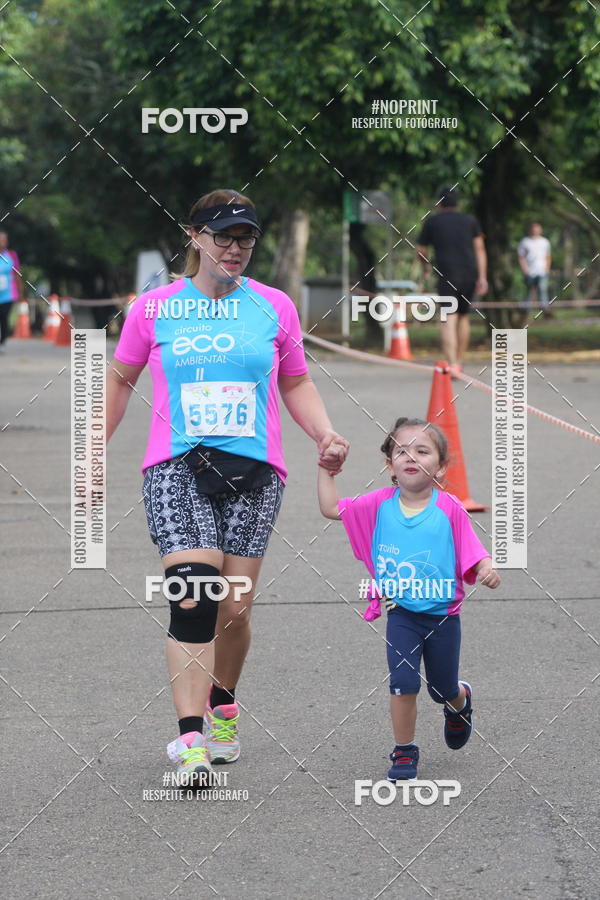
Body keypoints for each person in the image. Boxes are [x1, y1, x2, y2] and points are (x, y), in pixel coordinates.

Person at [107, 188, 349, 786]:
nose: (236, 248)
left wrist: (325, 433)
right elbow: (119, 380)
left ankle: (223, 704)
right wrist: (89, 452)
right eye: (224, 237)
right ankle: (189, 742)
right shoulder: (155, 308)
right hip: (175, 465)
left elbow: (296, 383)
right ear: (194, 237)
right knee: (194, 594)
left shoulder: (274, 308)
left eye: (246, 238)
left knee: (234, 610)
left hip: (255, 472)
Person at [318, 417, 499, 781]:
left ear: (441, 466)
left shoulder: (449, 508)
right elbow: (331, 508)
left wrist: (485, 567)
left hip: (443, 615)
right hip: (400, 613)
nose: (410, 456)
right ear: (390, 465)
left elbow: (473, 549)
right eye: (401, 450)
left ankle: (459, 702)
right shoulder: (378, 504)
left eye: (422, 450)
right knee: (403, 683)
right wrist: (327, 471)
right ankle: (404, 750)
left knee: (440, 688)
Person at [416, 187, 488, 377]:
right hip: (469, 275)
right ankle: (459, 362)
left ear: (439, 203)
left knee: (448, 318)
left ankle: (453, 364)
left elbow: (421, 250)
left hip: (447, 275)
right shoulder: (470, 221)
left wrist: (425, 268)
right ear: (458, 203)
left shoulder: (433, 221)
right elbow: (480, 248)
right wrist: (482, 277)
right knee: (463, 318)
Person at [518, 222, 551, 316]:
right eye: (533, 229)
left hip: (542, 271)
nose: (535, 231)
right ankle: (526, 311)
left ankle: (545, 311)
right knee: (528, 291)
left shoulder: (545, 241)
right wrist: (525, 270)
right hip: (529, 271)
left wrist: (547, 269)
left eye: (537, 229)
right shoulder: (525, 241)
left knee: (543, 289)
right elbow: (521, 257)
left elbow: (548, 256)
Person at [0, 231, 22, 352]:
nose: (2, 242)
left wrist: (20, 292)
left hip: (8, 294)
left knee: (3, 317)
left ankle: (2, 342)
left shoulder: (11, 255)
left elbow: (17, 274)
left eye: (4, 240)